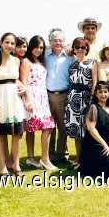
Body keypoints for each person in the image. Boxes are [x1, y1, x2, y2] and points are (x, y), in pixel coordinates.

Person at [0, 32, 27, 177]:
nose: (10, 45)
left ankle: (16, 165)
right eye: (7, 42)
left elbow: (15, 80)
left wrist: (25, 88)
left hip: (15, 101)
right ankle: (2, 167)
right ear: (1, 43)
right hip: (0, 99)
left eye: (12, 43)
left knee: (17, 134)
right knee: (1, 135)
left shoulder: (16, 61)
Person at [20, 35, 57, 171]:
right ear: (31, 46)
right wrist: (28, 100)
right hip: (31, 96)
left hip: (43, 97)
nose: (39, 50)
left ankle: (44, 158)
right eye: (36, 47)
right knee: (35, 128)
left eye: (41, 47)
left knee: (47, 126)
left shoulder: (41, 62)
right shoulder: (26, 61)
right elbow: (23, 82)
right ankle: (32, 158)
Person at [64, 37, 97, 167]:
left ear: (87, 49)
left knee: (87, 129)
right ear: (74, 49)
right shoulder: (71, 64)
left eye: (83, 47)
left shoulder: (92, 62)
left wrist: (91, 99)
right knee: (77, 131)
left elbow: (94, 82)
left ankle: (86, 157)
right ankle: (78, 156)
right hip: (73, 98)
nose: (80, 50)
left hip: (86, 98)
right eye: (77, 47)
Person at [77, 81, 109, 178]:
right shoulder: (93, 108)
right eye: (100, 92)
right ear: (96, 94)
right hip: (93, 145)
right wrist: (105, 146)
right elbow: (91, 129)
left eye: (105, 91)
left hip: (106, 145)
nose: (103, 94)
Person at [46, 28, 74, 165]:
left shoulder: (70, 57)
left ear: (64, 42)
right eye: (54, 40)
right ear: (50, 42)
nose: (57, 42)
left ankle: (62, 154)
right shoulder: (45, 56)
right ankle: (50, 156)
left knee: (63, 127)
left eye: (60, 40)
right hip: (47, 95)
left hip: (64, 95)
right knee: (49, 127)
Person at [4, 36, 28, 169]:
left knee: (18, 130)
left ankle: (15, 160)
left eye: (24, 46)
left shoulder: (22, 60)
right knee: (5, 129)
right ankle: (7, 160)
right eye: (19, 46)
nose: (22, 49)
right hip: (7, 96)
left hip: (20, 97)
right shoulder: (8, 59)